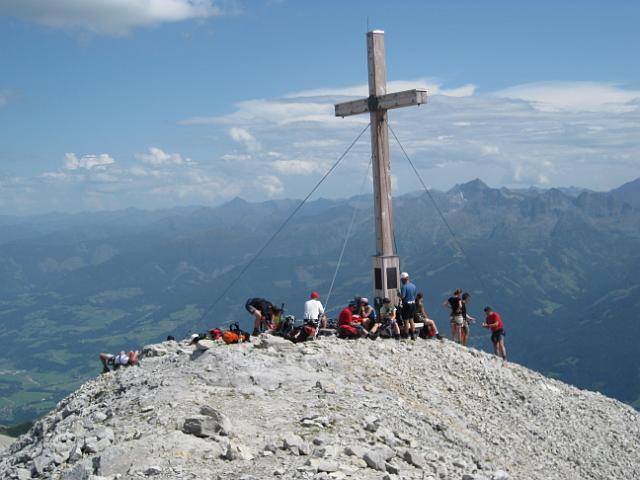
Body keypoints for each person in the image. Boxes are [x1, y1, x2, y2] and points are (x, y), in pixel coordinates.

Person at [399, 272, 418, 340]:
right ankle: (413, 334)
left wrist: (399, 295)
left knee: (406, 320)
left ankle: (406, 334)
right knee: (411, 319)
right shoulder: (413, 286)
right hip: (413, 304)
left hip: (407, 304)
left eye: (401, 280)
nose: (401, 281)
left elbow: (403, 297)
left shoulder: (404, 287)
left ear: (403, 279)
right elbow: (414, 295)